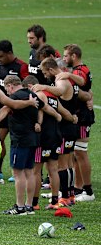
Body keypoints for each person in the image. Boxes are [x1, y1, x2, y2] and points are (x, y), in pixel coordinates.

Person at [0, 75, 46, 215]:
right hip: (33, 139)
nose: (7, 92)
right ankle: (29, 205)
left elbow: (6, 109)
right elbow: (42, 108)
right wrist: (38, 123)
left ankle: (20, 207)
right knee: (29, 172)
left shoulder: (15, 97)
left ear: (10, 85)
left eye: (6, 89)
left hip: (20, 139)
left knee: (18, 173)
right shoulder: (33, 95)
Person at [32, 57, 82, 207]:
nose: (45, 76)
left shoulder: (60, 81)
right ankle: (70, 195)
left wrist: (43, 87)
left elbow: (59, 91)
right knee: (67, 163)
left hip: (65, 128)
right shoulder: (68, 80)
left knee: (62, 165)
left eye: (45, 72)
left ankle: (65, 196)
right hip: (69, 125)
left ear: (52, 70)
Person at [21, 75, 71, 211]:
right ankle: (55, 201)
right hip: (56, 136)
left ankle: (34, 203)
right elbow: (63, 112)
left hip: (42, 138)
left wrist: (37, 123)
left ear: (30, 86)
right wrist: (73, 118)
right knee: (53, 169)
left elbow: (40, 112)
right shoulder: (53, 97)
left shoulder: (38, 95)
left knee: (36, 171)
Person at [0, 40, 29, 183]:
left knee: (17, 141)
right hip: (2, 109)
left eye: (1, 56)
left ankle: (19, 170)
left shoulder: (22, 67)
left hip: (18, 111)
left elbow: (26, 88)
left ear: (10, 53)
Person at [60, 44, 95, 202]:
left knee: (80, 153)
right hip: (80, 115)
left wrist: (68, 76)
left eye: (66, 56)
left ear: (74, 56)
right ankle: (78, 188)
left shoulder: (79, 70)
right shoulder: (79, 69)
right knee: (76, 154)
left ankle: (88, 191)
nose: (64, 58)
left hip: (83, 116)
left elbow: (81, 81)